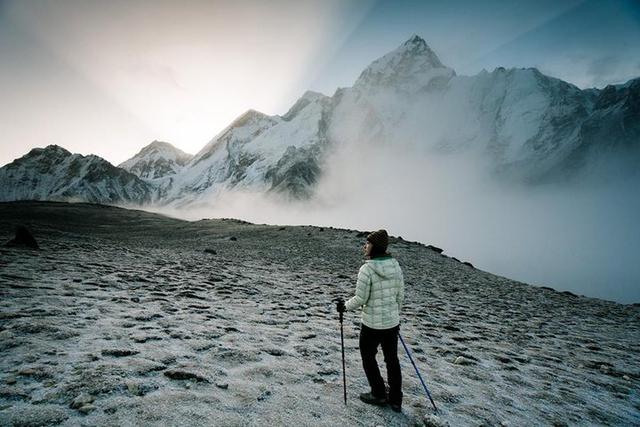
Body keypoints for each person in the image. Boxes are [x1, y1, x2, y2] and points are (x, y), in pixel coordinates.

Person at [336, 229, 405, 412]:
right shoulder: (395, 266)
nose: (364, 246)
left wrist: (344, 307)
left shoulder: (367, 269)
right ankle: (396, 400)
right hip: (391, 324)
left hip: (372, 325)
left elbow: (361, 299)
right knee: (392, 360)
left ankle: (378, 393)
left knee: (368, 357)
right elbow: (400, 296)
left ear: (375, 247)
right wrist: (394, 315)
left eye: (367, 243)